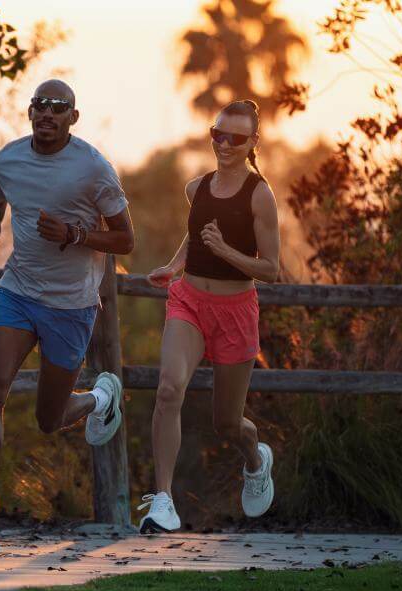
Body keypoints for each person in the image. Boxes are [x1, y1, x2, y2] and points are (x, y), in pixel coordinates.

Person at [0, 79, 135, 556]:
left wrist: (75, 233)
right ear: (30, 112)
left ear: (74, 117)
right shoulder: (6, 162)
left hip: (71, 305)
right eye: (40, 106)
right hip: (18, 292)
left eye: (59, 108)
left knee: (49, 420)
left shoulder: (93, 169)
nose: (47, 114)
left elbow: (125, 241)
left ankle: (99, 398)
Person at [138, 99, 281, 534]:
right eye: (218, 134)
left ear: (253, 142)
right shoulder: (196, 188)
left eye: (236, 138)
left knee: (226, 423)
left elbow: (272, 269)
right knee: (168, 390)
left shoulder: (260, 195)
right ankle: (163, 501)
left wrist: (224, 252)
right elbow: (195, 230)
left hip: (236, 312)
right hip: (189, 303)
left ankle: (255, 456)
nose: (225, 144)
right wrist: (176, 264)